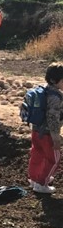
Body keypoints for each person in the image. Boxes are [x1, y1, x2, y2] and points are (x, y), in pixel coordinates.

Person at [27, 63, 63, 194]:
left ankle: (34, 178)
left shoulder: (44, 90)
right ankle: (42, 183)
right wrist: (56, 137)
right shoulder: (55, 97)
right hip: (48, 134)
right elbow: (53, 118)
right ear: (54, 80)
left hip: (36, 130)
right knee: (54, 159)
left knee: (37, 154)